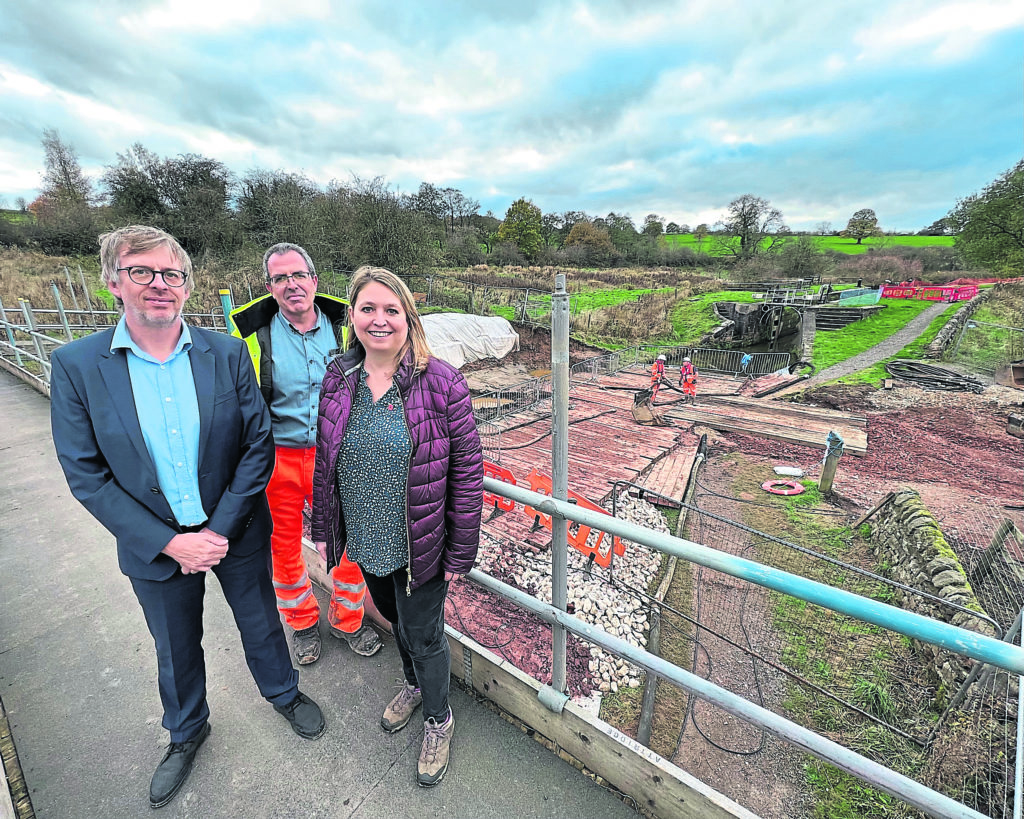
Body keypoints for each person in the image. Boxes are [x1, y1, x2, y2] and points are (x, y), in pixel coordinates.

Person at [49, 226, 325, 810]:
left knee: (260, 621)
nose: (159, 285)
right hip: (155, 546)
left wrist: (219, 530)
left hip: (235, 532)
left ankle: (284, 693)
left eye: (171, 274)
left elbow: (256, 445)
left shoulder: (224, 353)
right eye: (141, 271)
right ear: (113, 282)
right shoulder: (77, 365)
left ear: (186, 285)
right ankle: (186, 729)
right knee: (175, 644)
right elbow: (86, 475)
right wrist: (171, 544)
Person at [311, 266, 483, 788]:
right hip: (366, 536)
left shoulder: (441, 382)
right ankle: (412, 687)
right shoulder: (338, 376)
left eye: (392, 310)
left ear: (409, 318)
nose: (379, 320)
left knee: (424, 634)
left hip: (421, 542)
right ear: (352, 318)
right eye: (368, 309)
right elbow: (326, 458)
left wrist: (458, 554)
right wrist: (325, 527)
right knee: (390, 617)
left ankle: (438, 718)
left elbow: (468, 475)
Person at [230, 242, 383, 665]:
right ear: (269, 287)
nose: (291, 285)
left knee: (352, 541)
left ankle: (348, 619)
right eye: (280, 278)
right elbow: (235, 400)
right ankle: (301, 622)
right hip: (278, 457)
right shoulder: (250, 337)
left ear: (314, 280)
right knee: (282, 544)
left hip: (337, 455)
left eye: (298, 275)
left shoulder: (347, 327)